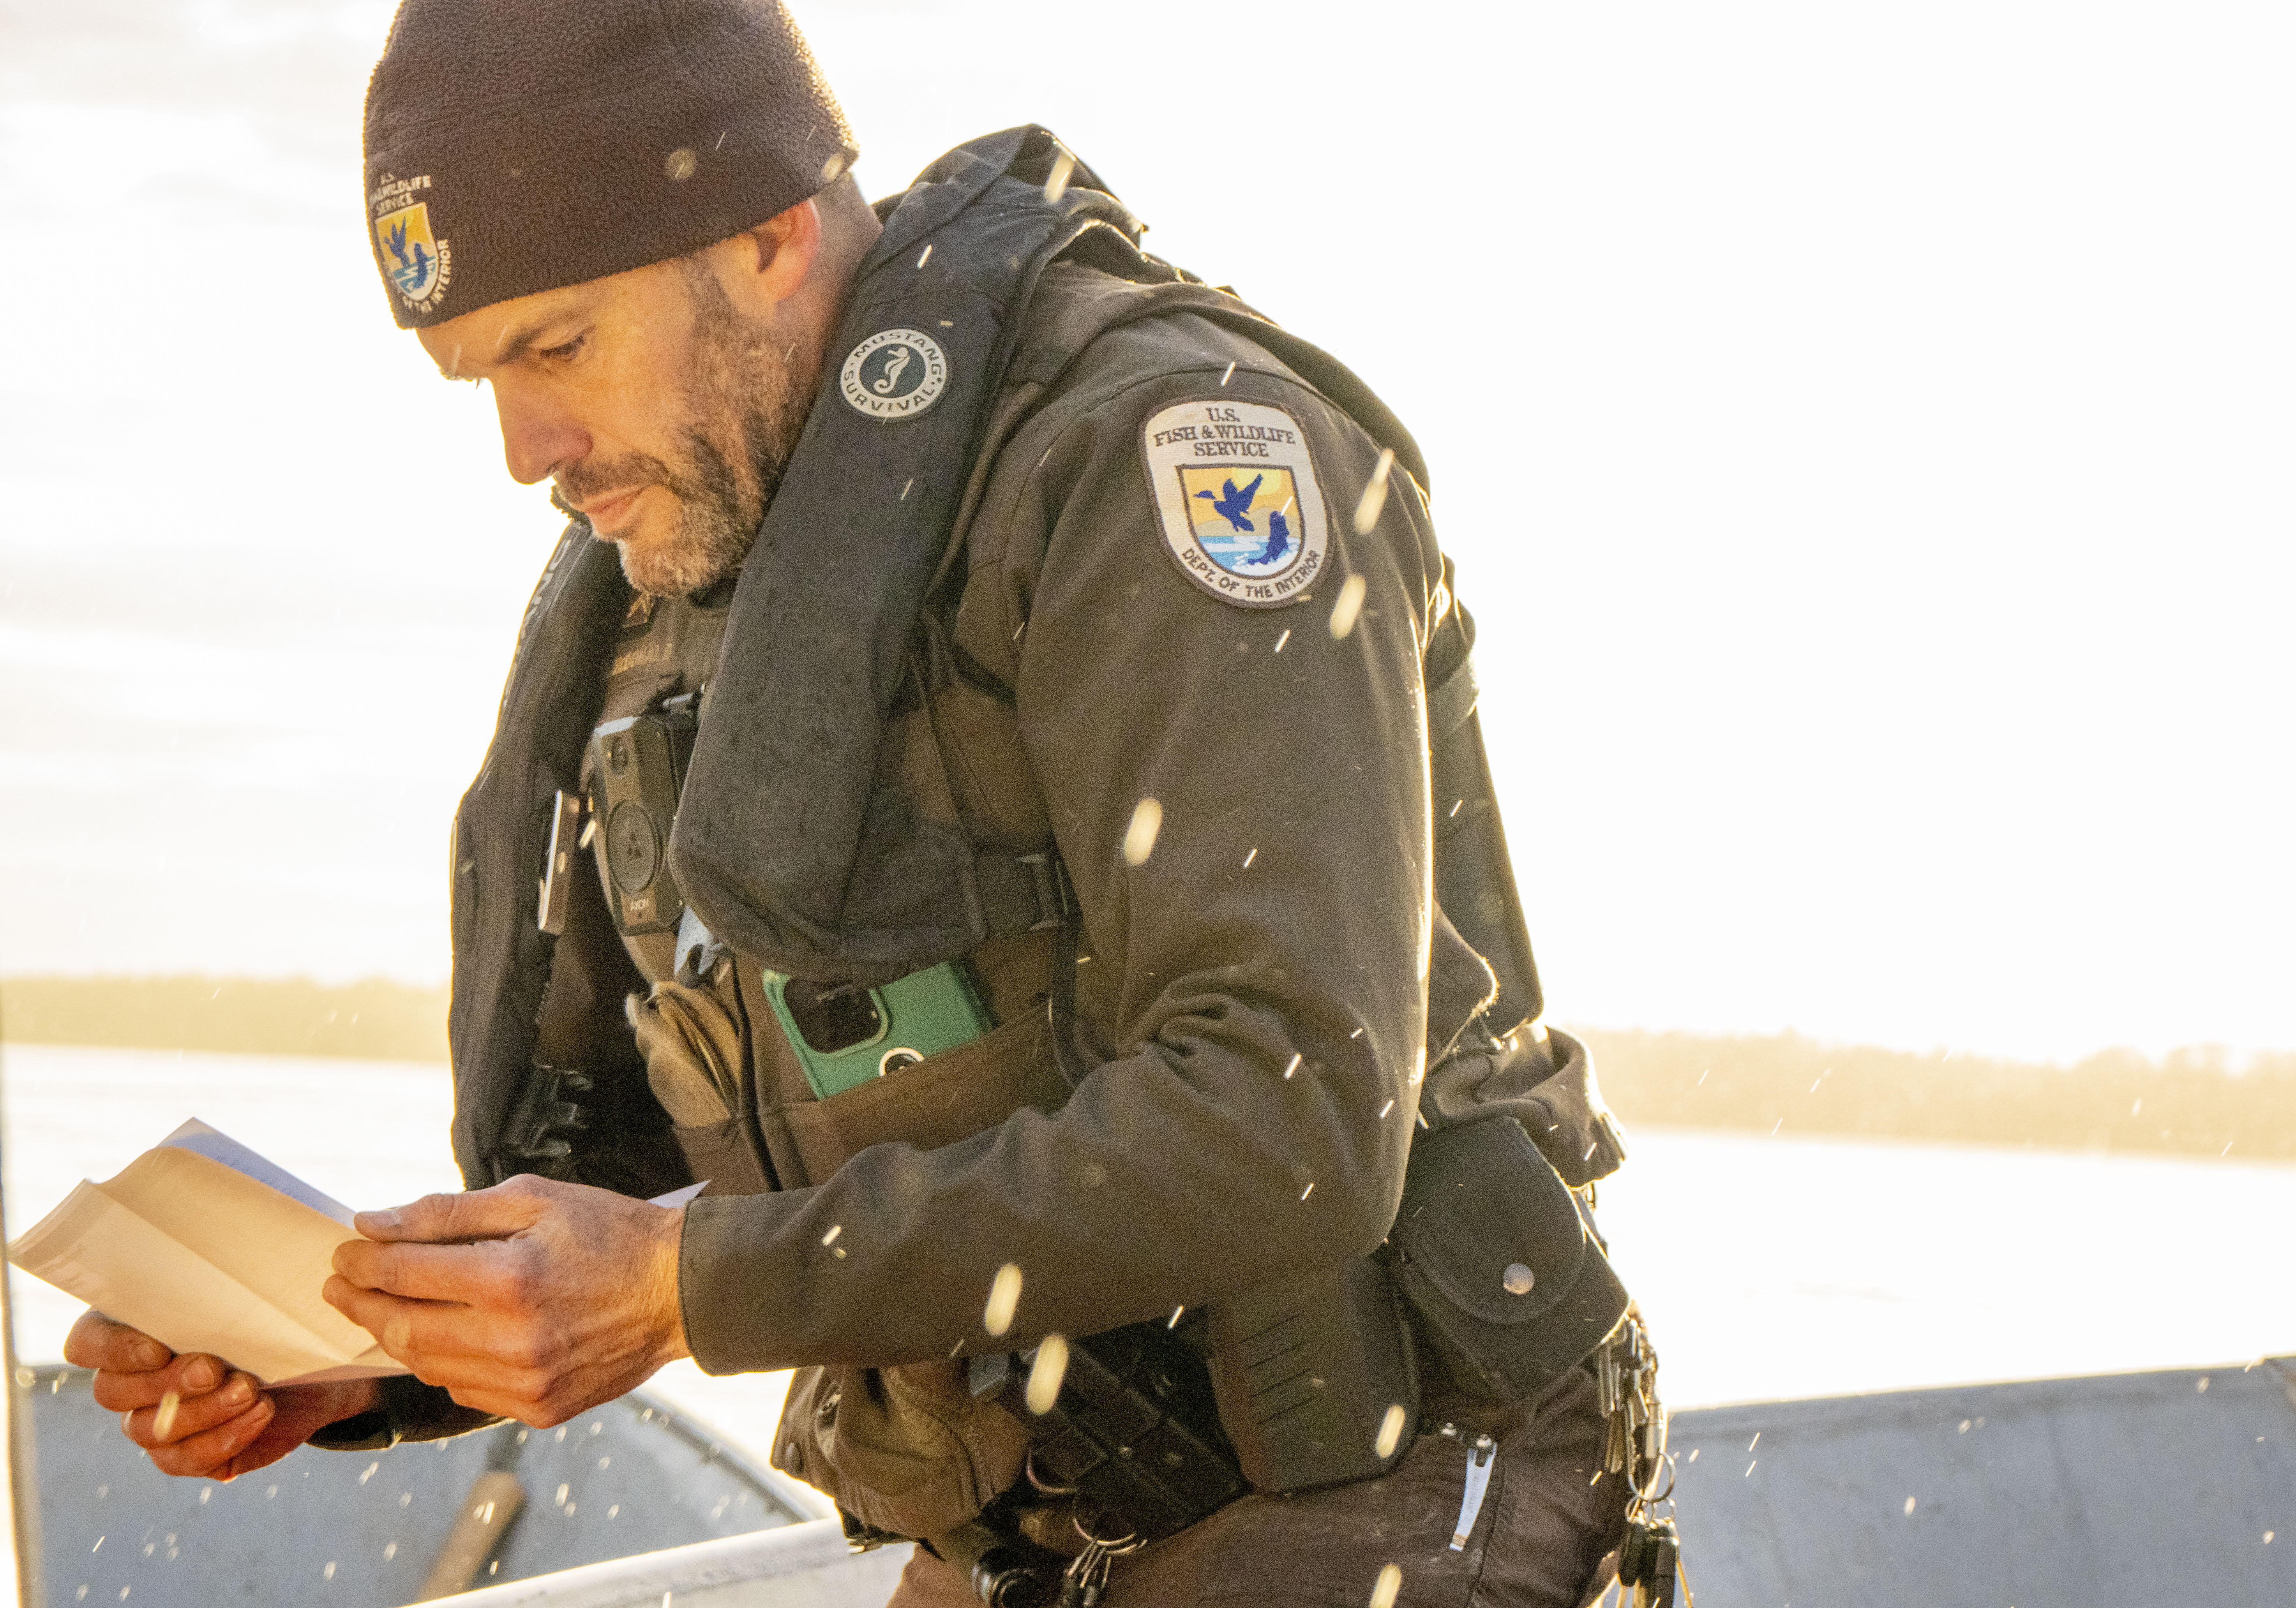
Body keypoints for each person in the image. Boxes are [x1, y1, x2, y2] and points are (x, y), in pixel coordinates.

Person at [70, 2, 1667, 1601]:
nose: (524, 450)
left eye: (558, 348)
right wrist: (368, 1348)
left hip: (1388, 1484)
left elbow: (1287, 1119)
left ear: (771, 235)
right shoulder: (685, 569)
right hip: (1038, 1525)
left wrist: (680, 1290)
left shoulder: (1159, 457)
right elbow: (636, 1187)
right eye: (478, 375)